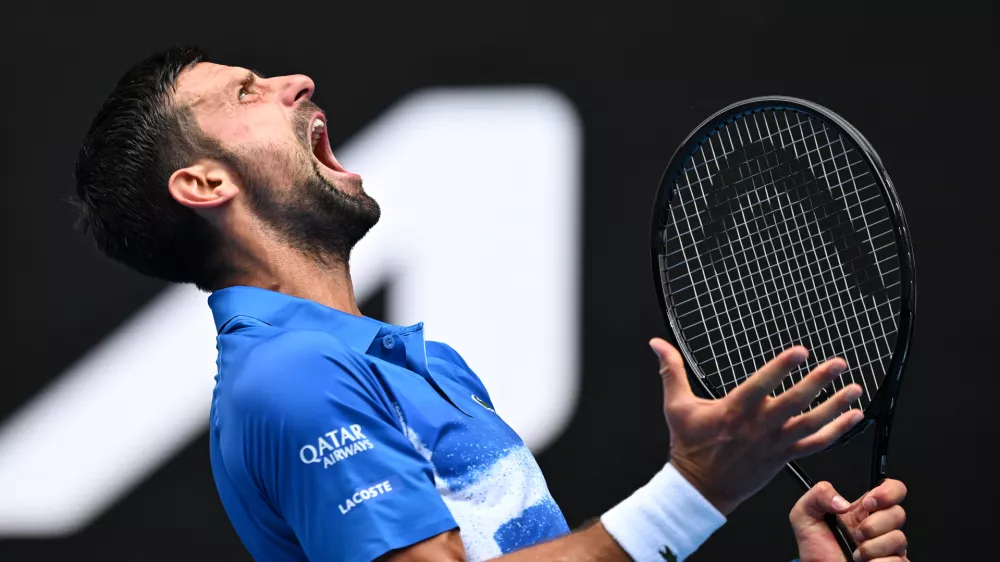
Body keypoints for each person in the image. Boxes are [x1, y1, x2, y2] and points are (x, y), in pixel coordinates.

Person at [73, 46, 909, 562]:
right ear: (204, 183)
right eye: (248, 92)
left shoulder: (424, 367)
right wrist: (696, 492)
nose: (296, 80)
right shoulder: (290, 380)